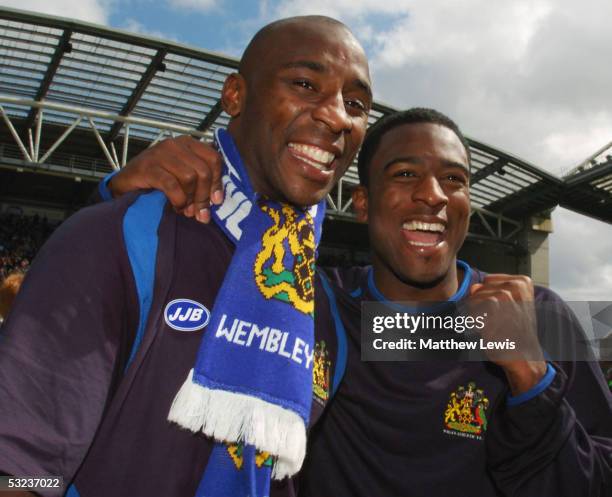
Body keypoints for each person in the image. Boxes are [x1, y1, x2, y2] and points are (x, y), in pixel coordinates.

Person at [112, 108, 612, 496]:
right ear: (363, 202)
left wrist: (531, 379)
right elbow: (151, 308)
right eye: (404, 175)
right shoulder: (311, 304)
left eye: (454, 180)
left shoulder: (539, 315)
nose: (433, 195)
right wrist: (124, 199)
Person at [0, 16, 372, 497]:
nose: (338, 116)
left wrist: (479, 315)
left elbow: (430, 346)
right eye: (304, 84)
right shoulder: (123, 236)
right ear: (235, 95)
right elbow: (23, 472)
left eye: (357, 104)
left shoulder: (330, 312)